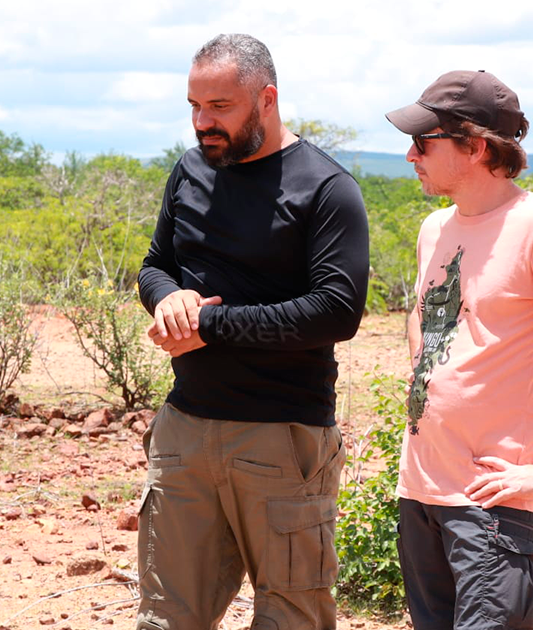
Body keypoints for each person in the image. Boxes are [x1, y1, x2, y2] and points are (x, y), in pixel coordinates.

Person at [136, 33, 369, 630]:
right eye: (194, 105)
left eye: (220, 107)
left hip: (282, 441)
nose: (201, 123)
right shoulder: (189, 171)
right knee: (166, 620)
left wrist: (209, 322)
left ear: (266, 98)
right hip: (185, 432)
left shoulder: (325, 188)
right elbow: (156, 264)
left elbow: (336, 311)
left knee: (292, 618)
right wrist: (170, 301)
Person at [384, 70, 533, 629]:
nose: (410, 155)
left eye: (424, 141)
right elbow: (421, 318)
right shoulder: (434, 228)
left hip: (490, 503)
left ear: (476, 146)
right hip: (420, 492)